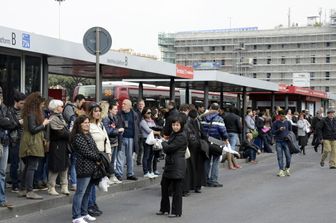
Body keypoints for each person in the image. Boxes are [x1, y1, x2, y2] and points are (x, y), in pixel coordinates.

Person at [19, 92, 49, 199]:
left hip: (28, 142)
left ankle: (23, 189)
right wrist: (43, 124)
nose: (43, 105)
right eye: (41, 103)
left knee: (28, 167)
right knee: (31, 167)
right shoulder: (32, 113)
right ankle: (29, 191)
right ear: (37, 103)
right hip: (32, 143)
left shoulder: (28, 112)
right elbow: (33, 130)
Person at [71, 115, 101, 223]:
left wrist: (99, 156)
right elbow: (86, 152)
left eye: (88, 122)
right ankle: (76, 216)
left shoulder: (88, 135)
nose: (87, 124)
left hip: (92, 167)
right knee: (80, 192)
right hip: (83, 167)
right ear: (79, 124)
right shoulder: (78, 137)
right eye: (84, 122)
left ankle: (84, 213)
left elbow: (95, 149)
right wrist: (98, 157)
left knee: (87, 192)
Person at [157, 116, 187, 218]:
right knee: (164, 186)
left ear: (181, 125)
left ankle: (176, 211)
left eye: (177, 125)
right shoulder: (174, 134)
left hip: (177, 165)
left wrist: (163, 142)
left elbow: (169, 148)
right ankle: (164, 209)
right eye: (174, 125)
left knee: (177, 190)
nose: (175, 127)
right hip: (170, 164)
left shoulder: (182, 136)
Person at [88, 103, 111, 217]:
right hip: (93, 157)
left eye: (99, 111)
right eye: (95, 111)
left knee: (96, 181)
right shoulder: (88, 125)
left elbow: (106, 140)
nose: (97, 113)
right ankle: (90, 205)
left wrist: (108, 154)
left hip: (101, 157)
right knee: (91, 182)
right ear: (91, 112)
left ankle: (93, 203)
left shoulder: (100, 124)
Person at [201, 103, 228, 187]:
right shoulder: (219, 119)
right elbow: (223, 131)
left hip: (205, 142)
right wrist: (225, 139)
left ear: (209, 108)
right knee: (216, 161)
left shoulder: (203, 117)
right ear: (218, 109)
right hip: (216, 142)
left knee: (206, 161)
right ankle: (213, 180)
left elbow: (200, 130)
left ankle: (205, 179)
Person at [47, 99, 71, 196]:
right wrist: (69, 133)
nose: (62, 108)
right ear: (56, 108)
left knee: (65, 165)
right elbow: (60, 133)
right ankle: (51, 186)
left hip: (63, 145)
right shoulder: (53, 118)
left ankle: (64, 186)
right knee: (55, 166)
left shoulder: (61, 117)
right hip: (56, 145)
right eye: (61, 106)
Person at [63, 94, 86, 192]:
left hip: (73, 140)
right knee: (73, 162)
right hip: (72, 141)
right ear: (78, 100)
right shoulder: (70, 109)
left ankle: (73, 182)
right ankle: (74, 182)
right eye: (82, 102)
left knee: (73, 162)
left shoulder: (73, 110)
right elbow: (72, 124)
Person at [115, 99, 140, 181]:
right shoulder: (119, 113)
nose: (122, 105)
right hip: (121, 137)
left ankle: (130, 174)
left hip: (131, 138)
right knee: (120, 156)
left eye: (124, 104)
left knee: (130, 157)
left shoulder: (134, 114)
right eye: (122, 104)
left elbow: (137, 126)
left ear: (129, 106)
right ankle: (119, 174)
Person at [0, 86, 16, 208]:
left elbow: (12, 122)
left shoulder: (4, 107)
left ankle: (1, 199)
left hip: (4, 142)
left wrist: (5, 120)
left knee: (2, 172)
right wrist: (5, 121)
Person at [8, 91, 26, 192]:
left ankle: (22, 182)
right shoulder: (10, 111)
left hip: (24, 140)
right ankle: (14, 184)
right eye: (21, 103)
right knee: (14, 163)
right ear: (16, 102)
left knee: (27, 162)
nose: (23, 105)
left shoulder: (24, 111)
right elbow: (10, 125)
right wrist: (18, 123)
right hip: (15, 140)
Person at [102, 102, 124, 184]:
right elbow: (108, 131)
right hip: (109, 142)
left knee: (112, 161)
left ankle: (112, 176)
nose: (117, 110)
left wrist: (117, 130)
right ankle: (108, 176)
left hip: (115, 141)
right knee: (108, 160)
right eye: (115, 109)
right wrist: (118, 130)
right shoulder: (106, 118)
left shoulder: (115, 118)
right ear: (110, 110)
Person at [140, 107, 160, 178]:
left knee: (151, 156)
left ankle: (150, 171)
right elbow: (149, 130)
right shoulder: (143, 121)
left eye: (150, 113)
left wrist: (156, 131)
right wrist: (157, 132)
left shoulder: (151, 121)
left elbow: (155, 127)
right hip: (146, 140)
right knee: (146, 156)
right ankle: (146, 172)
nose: (150, 114)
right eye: (148, 113)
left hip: (152, 140)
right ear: (144, 114)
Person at [272, 110, 292, 177]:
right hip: (278, 142)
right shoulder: (275, 123)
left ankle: (287, 168)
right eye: (281, 116)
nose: (282, 117)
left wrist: (288, 137)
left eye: (284, 116)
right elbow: (272, 132)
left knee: (288, 157)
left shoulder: (288, 123)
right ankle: (281, 170)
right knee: (280, 157)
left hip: (286, 142)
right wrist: (279, 130)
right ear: (279, 116)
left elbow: (290, 132)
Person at [135, 99, 145, 166]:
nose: (141, 105)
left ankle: (139, 160)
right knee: (137, 146)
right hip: (138, 131)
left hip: (144, 132)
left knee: (141, 147)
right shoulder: (135, 112)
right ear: (138, 105)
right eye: (140, 104)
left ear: (144, 105)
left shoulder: (146, 112)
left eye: (142, 104)